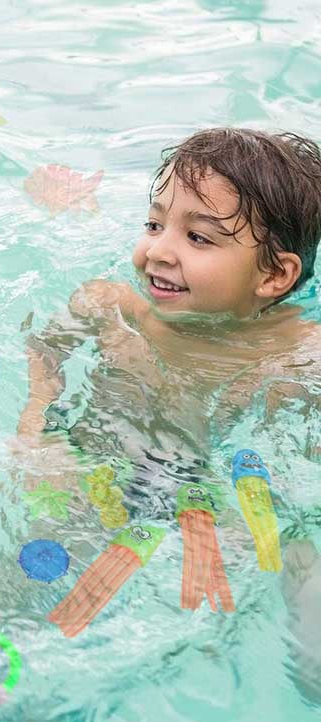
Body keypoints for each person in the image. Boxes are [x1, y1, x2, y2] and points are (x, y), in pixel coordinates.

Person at [16, 127, 321, 517]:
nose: (158, 251)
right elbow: (45, 349)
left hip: (202, 500)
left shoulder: (297, 358)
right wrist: (35, 424)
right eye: (154, 225)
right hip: (91, 462)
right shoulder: (110, 309)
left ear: (274, 275)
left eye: (198, 237)